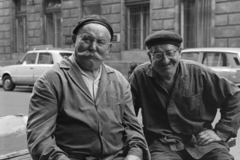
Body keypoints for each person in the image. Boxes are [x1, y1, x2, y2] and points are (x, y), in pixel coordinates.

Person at [27, 15, 150, 160]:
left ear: (108, 48)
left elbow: (133, 130)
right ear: (74, 41)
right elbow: (39, 138)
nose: (93, 47)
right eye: (86, 39)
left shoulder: (119, 81)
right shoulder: (52, 80)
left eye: (100, 42)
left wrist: (133, 155)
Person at [129, 30, 240, 160]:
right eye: (158, 55)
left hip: (202, 142)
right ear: (150, 56)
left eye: (170, 53)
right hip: (162, 144)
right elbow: (128, 113)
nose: (165, 60)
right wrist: (134, 147)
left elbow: (235, 95)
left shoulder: (199, 72)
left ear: (180, 52)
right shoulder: (140, 75)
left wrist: (222, 132)